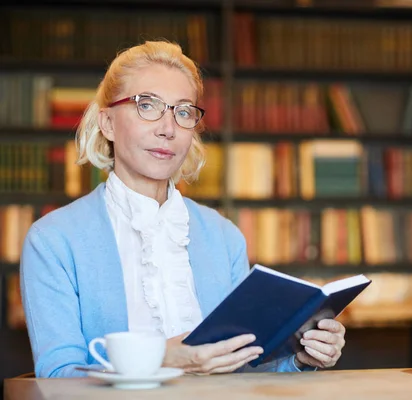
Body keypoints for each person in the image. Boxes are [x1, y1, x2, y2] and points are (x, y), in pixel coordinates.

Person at [20, 40, 347, 378]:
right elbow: (57, 376)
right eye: (147, 105)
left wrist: (300, 356)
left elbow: (246, 362)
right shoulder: (53, 240)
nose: (168, 128)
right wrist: (165, 358)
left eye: (183, 111)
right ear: (108, 124)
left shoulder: (223, 235)